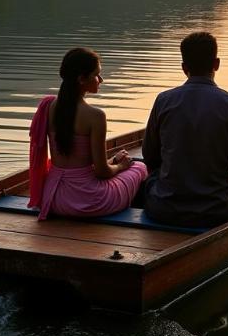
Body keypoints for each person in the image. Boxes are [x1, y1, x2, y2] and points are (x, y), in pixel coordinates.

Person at [142, 31, 228, 228]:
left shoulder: (163, 100)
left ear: (184, 67)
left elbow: (150, 157)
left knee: (149, 176)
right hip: (217, 212)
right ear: (217, 64)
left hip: (163, 208)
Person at [28, 47, 147, 220]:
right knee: (139, 167)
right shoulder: (95, 116)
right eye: (96, 75)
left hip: (54, 198)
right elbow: (101, 172)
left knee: (123, 166)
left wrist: (113, 160)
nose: (101, 79)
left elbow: (77, 164)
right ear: (81, 79)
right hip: (89, 202)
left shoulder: (48, 106)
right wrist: (121, 166)